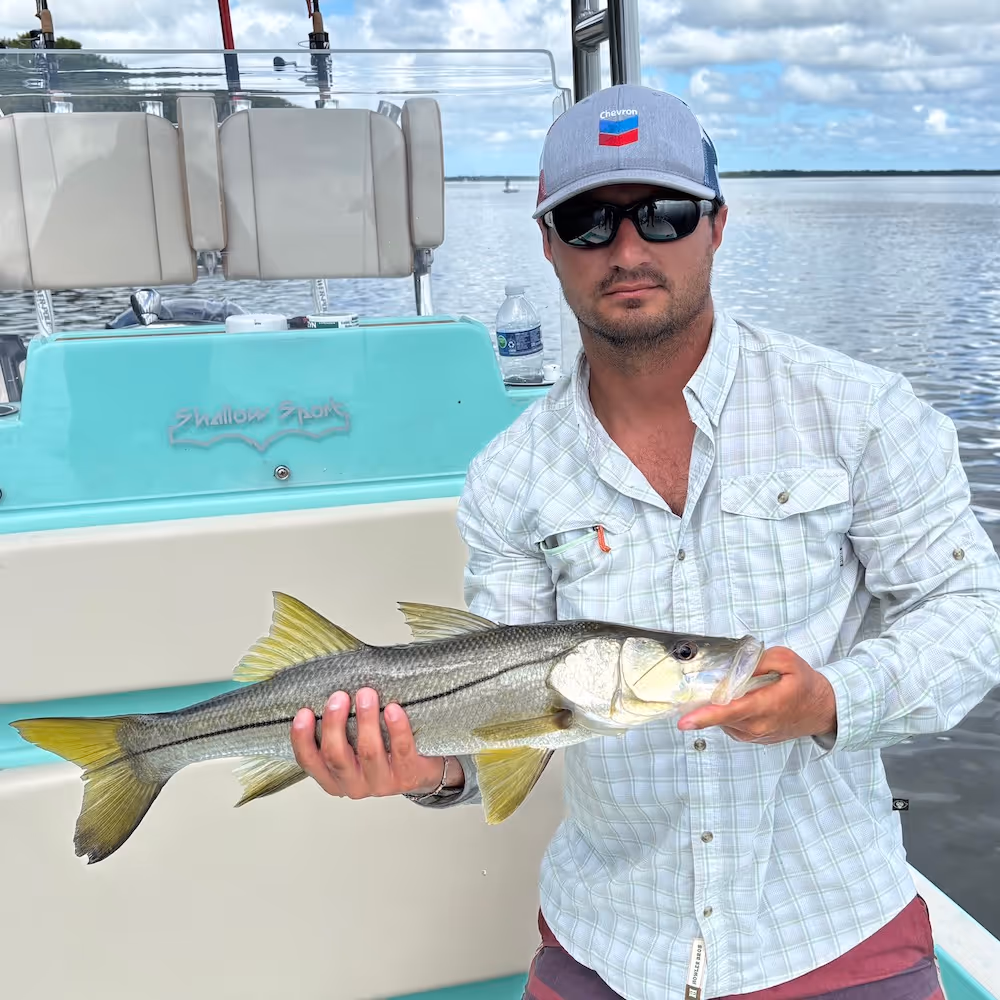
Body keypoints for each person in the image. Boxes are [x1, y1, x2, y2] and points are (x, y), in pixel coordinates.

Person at [289, 84, 1000, 1000]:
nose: (627, 250)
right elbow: (504, 716)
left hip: (834, 931)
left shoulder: (859, 411)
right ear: (548, 243)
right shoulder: (509, 475)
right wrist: (426, 773)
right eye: (589, 221)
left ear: (716, 224)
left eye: (663, 214)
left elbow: (973, 613)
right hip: (606, 942)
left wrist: (834, 697)